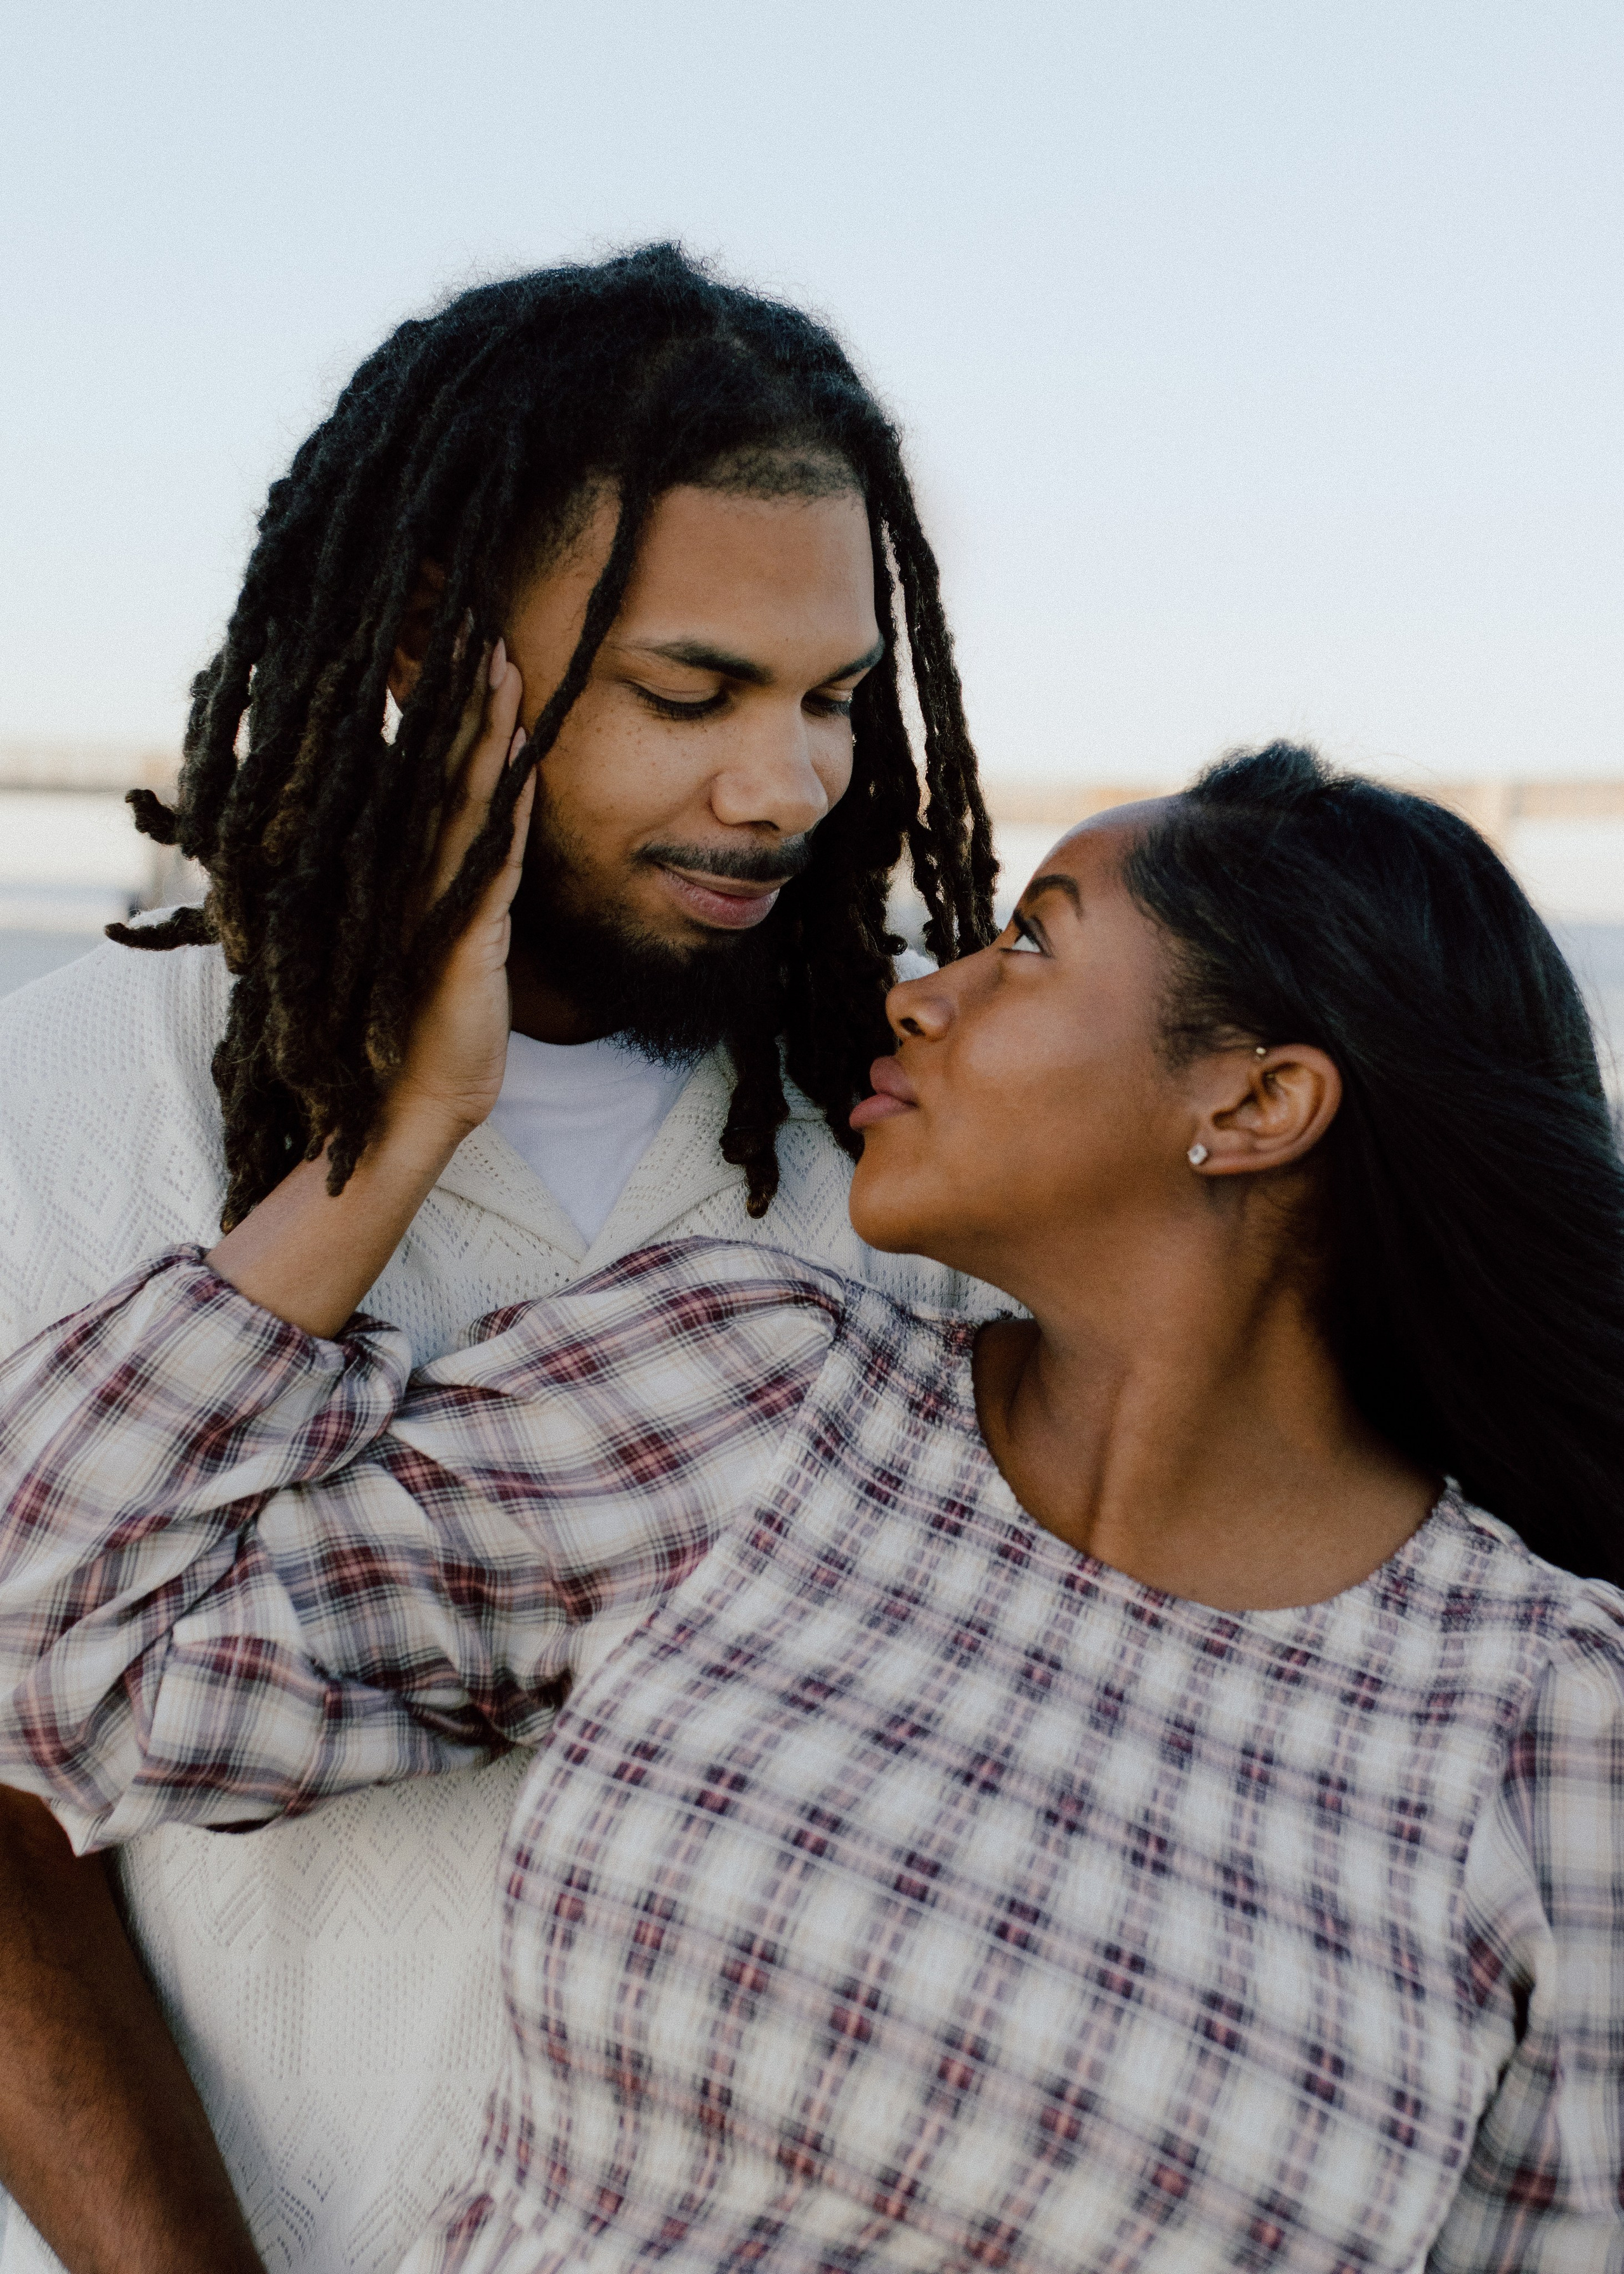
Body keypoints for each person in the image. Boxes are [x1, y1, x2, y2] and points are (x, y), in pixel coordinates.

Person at [4, 742, 1622, 2273]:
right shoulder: (759, 1396)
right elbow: (62, 1664)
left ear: (1255, 1103)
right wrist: (405, 1134)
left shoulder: (1548, 1726)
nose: (919, 997)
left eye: (1031, 949)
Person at [0, 244, 1002, 2274]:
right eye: (688, 692)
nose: (785, 786)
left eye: (828, 700)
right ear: (443, 650)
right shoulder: (100, 1079)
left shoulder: (917, 1113)